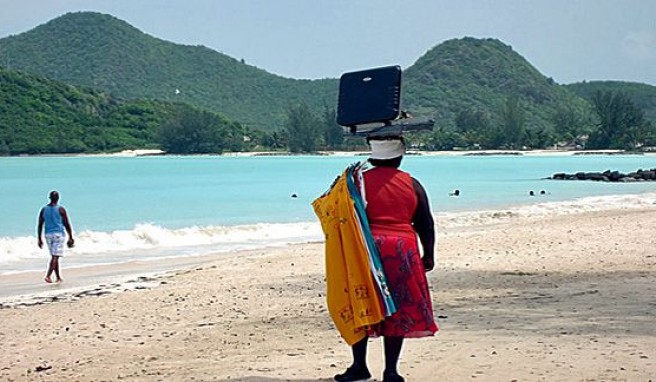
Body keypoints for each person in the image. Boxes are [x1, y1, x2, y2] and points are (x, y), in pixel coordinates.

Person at [334, 136, 438, 382]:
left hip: (365, 250)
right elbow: (426, 222)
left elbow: (338, 216)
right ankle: (390, 371)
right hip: (403, 249)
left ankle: (359, 366)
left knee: (361, 302)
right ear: (399, 157)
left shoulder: (355, 185)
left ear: (372, 157)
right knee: (398, 308)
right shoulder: (412, 184)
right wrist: (429, 254)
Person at [37, 191, 74, 283]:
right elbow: (66, 223)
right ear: (58, 198)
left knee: (54, 256)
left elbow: (40, 224)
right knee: (55, 256)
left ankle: (58, 277)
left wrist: (39, 238)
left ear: (49, 198)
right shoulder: (61, 209)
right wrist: (71, 236)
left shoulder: (43, 209)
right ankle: (48, 276)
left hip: (48, 235)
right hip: (58, 234)